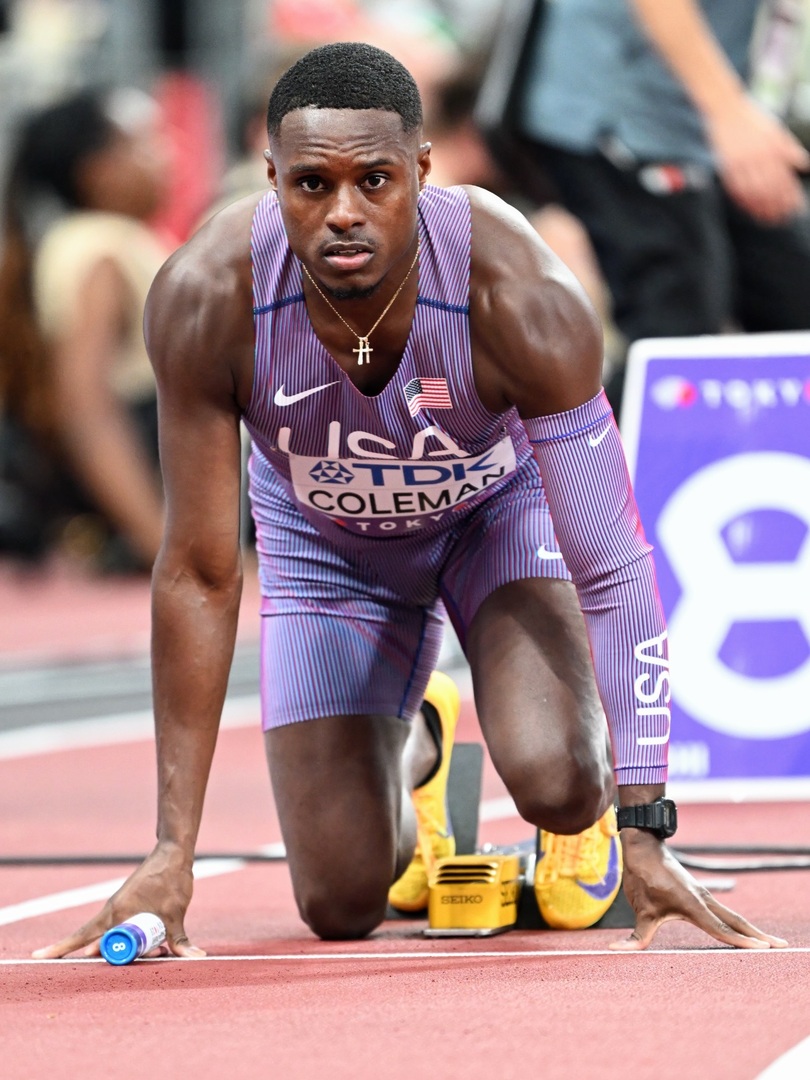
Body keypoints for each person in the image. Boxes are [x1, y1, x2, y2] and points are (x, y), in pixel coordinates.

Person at [34, 42, 786, 959]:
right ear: (270, 179)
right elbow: (197, 570)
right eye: (310, 185)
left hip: (491, 527)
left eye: (375, 181)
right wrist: (170, 853)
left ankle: (562, 788)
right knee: (341, 903)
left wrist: (646, 828)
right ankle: (418, 744)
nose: (343, 214)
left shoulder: (520, 294)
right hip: (327, 553)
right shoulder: (205, 297)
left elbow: (614, 566)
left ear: (422, 172)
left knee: (559, 783)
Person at [512, 0, 810, 416]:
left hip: (713, 120)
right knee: (675, 338)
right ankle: (575, 475)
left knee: (794, 304)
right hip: (629, 111)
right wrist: (730, 116)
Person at [0, 88, 170, 570]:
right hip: (150, 472)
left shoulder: (86, 241)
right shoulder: (98, 247)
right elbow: (86, 407)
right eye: (146, 143)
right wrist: (162, 544)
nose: (167, 153)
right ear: (98, 171)